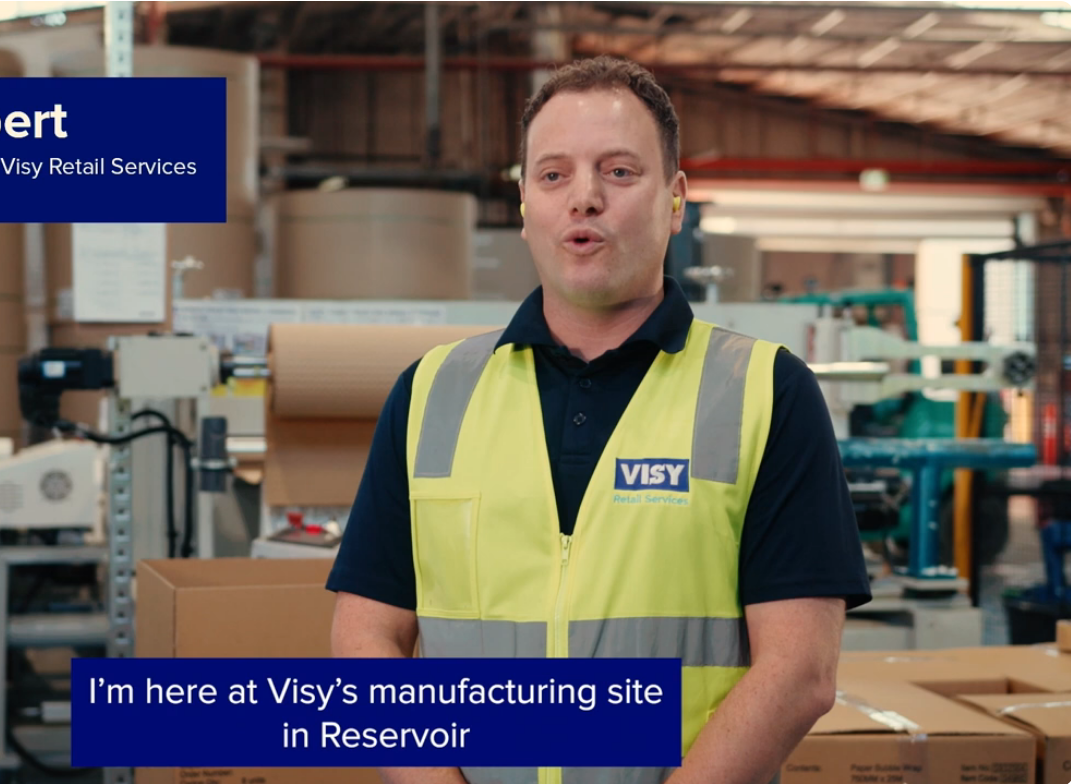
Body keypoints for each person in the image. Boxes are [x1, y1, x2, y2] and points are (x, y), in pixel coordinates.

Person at [325, 55, 872, 784]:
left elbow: (800, 671)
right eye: (553, 175)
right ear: (524, 204)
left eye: (619, 171)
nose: (583, 198)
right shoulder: (431, 393)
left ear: (675, 200)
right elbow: (365, 640)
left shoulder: (766, 393)